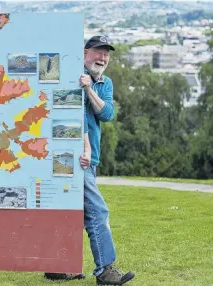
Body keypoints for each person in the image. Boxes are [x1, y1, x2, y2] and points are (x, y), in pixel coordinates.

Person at [45, 36, 135, 285]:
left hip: (90, 158)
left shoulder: (103, 83)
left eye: (106, 54)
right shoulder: (72, 75)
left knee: (70, 211)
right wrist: (82, 149)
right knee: (97, 210)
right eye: (98, 53)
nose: (102, 58)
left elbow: (106, 114)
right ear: (85, 53)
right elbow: (77, 117)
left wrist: (88, 88)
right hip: (75, 157)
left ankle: (57, 266)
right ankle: (105, 270)